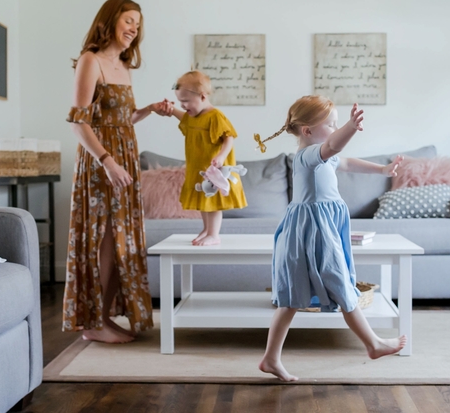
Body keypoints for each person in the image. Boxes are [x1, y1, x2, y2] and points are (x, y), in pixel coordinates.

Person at [254, 95, 407, 381]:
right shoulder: (308, 155)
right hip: (313, 232)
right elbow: (334, 146)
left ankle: (270, 358)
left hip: (319, 228)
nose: (336, 130)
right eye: (331, 125)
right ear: (307, 131)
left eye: (337, 124)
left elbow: (345, 161)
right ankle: (373, 344)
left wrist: (383, 170)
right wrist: (350, 126)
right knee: (339, 285)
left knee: (296, 299)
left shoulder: (321, 155)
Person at [63, 0, 165, 344]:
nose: (134, 28)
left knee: (119, 241)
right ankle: (92, 323)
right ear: (110, 21)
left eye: (138, 23)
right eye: (128, 20)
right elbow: (80, 122)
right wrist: (107, 161)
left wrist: (148, 109)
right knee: (102, 239)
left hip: (124, 158)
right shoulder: (91, 61)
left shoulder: (124, 65)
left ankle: (102, 318)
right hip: (101, 162)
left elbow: (123, 118)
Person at [157, 71, 247, 246]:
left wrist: (221, 156)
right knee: (203, 201)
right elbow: (186, 120)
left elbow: (229, 137)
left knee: (212, 202)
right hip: (199, 167)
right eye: (180, 101)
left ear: (203, 96)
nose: (183, 105)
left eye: (186, 101)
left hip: (213, 169)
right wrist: (170, 111)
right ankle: (206, 230)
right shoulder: (194, 117)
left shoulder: (215, 116)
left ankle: (214, 234)